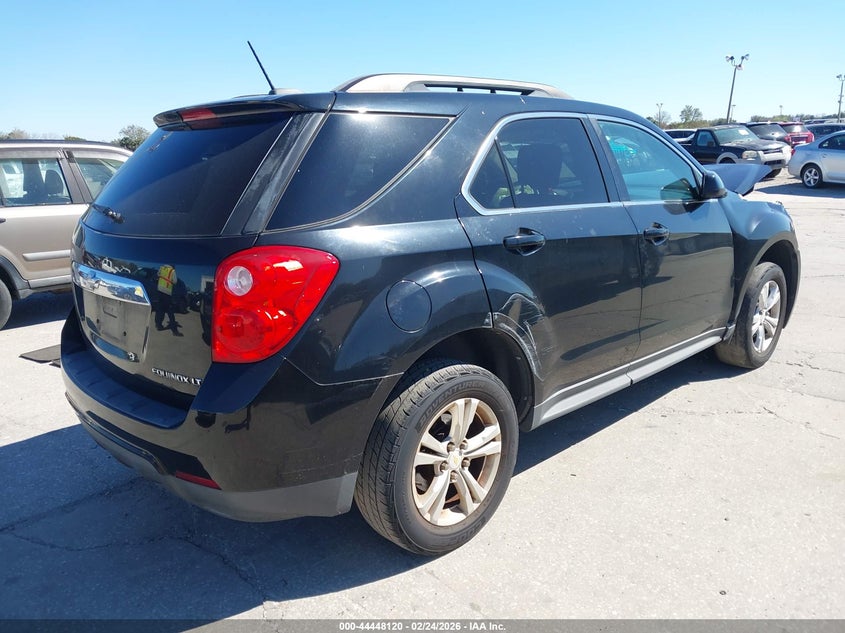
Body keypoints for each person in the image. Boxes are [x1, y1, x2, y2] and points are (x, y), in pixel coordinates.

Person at [155, 264, 182, 336]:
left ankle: (158, 325)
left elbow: (158, 275)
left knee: (160, 309)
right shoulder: (172, 271)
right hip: (167, 292)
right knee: (170, 311)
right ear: (173, 266)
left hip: (160, 290)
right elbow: (175, 281)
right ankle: (175, 331)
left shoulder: (162, 268)